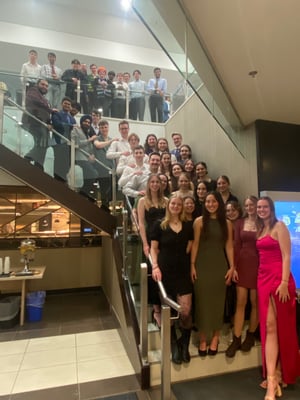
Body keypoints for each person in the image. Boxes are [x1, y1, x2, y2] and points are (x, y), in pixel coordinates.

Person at [256, 196, 300, 399]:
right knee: (270, 328)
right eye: (259, 207)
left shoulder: (279, 226)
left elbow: (286, 256)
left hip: (280, 281)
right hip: (263, 280)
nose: (261, 210)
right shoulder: (260, 229)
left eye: (265, 207)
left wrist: (283, 283)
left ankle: (276, 379)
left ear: (271, 209)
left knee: (283, 327)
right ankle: (274, 376)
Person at [191, 191, 235, 356]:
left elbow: (229, 246)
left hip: (219, 266)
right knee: (202, 302)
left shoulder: (227, 223)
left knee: (217, 302)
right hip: (202, 265)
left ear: (219, 203)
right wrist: (192, 265)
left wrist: (232, 267)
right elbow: (195, 244)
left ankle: (215, 337)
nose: (210, 204)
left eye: (214, 201)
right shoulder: (199, 222)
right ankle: (203, 338)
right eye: (208, 201)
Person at [151, 195, 194, 364]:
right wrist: (155, 266)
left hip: (182, 272)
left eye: (179, 204)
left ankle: (184, 343)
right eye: (173, 203)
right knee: (166, 311)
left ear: (182, 207)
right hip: (164, 272)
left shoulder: (188, 226)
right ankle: (174, 346)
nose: (176, 206)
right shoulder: (159, 225)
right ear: (168, 206)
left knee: (185, 310)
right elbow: (154, 249)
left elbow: (189, 248)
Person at [226, 196, 259, 358]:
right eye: (246, 205)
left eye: (252, 204)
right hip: (242, 265)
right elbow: (236, 245)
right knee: (240, 302)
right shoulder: (239, 223)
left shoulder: (264, 223)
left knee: (255, 302)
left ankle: (251, 335)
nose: (249, 207)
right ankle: (236, 338)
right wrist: (234, 267)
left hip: (259, 266)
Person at [137, 174, 168, 327]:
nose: (155, 184)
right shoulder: (143, 201)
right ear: (148, 184)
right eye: (152, 182)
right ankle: (156, 310)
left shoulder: (166, 201)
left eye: (157, 182)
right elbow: (141, 224)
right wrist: (144, 244)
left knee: (165, 272)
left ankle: (166, 305)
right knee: (153, 275)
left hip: (164, 240)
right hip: (150, 240)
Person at [23, 79, 52, 170]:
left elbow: (45, 112)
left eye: (47, 86)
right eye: (43, 84)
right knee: (43, 143)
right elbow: (36, 101)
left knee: (43, 144)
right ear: (37, 84)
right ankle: (28, 157)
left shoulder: (43, 98)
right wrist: (49, 107)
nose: (45, 87)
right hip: (35, 122)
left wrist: (49, 123)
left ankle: (38, 166)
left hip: (42, 123)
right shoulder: (33, 90)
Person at [71, 114, 98, 199]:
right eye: (85, 121)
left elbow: (89, 147)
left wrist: (92, 154)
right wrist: (90, 139)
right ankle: (83, 193)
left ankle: (84, 194)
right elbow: (76, 143)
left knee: (92, 174)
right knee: (93, 173)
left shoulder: (87, 133)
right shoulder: (76, 130)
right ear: (81, 122)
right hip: (79, 158)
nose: (87, 123)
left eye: (89, 122)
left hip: (87, 159)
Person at [51, 96, 76, 182]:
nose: (67, 105)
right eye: (65, 103)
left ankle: (63, 181)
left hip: (68, 145)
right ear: (62, 104)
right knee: (58, 163)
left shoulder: (72, 119)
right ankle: (57, 181)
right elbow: (57, 124)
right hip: (58, 143)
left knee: (66, 165)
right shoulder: (56, 114)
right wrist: (71, 126)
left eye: (69, 104)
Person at [93, 120, 116, 208]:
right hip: (101, 168)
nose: (104, 129)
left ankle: (108, 204)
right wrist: (110, 142)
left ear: (108, 127)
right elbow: (98, 145)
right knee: (103, 188)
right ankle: (104, 207)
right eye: (102, 127)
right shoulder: (97, 138)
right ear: (99, 128)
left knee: (112, 188)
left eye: (105, 127)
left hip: (111, 168)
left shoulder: (112, 139)